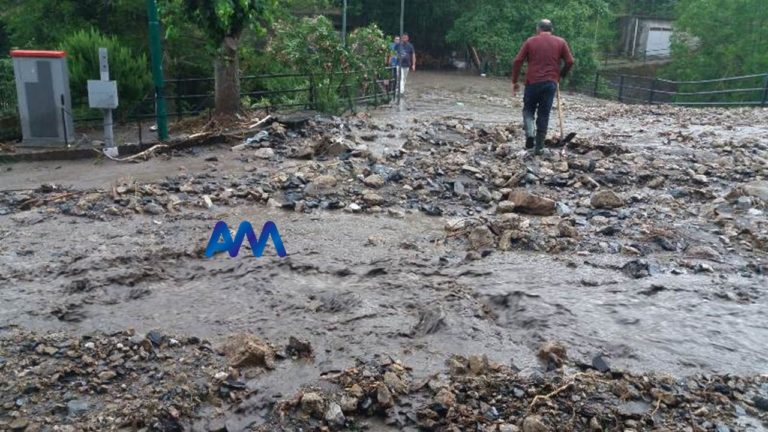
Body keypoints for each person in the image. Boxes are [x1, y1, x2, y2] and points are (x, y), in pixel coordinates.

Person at [512, 19, 574, 155]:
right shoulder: (561, 42)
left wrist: (515, 81)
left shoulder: (530, 41)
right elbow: (570, 61)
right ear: (551, 29)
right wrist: (560, 75)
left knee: (528, 110)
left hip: (533, 82)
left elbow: (517, 61)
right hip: (550, 82)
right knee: (544, 114)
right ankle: (539, 147)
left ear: (538, 29)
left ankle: (530, 133)